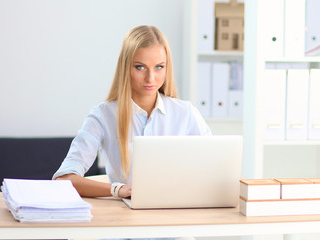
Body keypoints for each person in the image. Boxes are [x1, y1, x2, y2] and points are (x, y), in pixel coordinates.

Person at [53, 25, 211, 200]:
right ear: (126, 67)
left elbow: (213, 168)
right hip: (126, 216)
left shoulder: (186, 113)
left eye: (159, 67)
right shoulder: (103, 115)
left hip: (178, 209)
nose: (150, 78)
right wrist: (117, 189)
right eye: (140, 67)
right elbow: (64, 179)